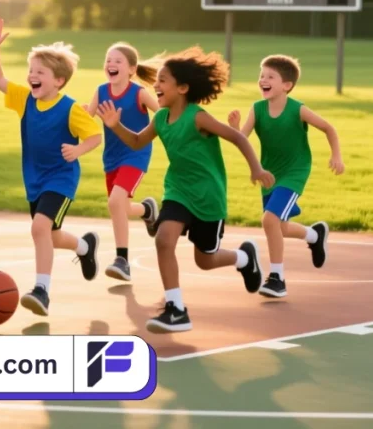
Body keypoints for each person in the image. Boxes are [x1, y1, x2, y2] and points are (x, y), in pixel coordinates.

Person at [97, 46, 274, 332]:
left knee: (205, 260)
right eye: (157, 80)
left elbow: (238, 139)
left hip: (208, 197)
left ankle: (244, 257)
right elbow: (136, 142)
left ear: (182, 88)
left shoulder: (198, 117)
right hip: (177, 190)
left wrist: (256, 168)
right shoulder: (160, 120)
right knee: (164, 239)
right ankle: (176, 308)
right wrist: (116, 126)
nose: (155, 85)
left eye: (163, 80)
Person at [0, 17, 102, 317]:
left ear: (59, 81)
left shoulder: (71, 108)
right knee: (50, 235)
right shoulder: (25, 100)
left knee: (39, 227)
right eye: (30, 71)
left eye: (40, 72)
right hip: (34, 180)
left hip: (61, 180)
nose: (31, 76)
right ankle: (84, 247)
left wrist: (78, 149)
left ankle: (42, 291)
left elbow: (95, 135)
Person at [228, 55, 343, 298]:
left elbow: (328, 128)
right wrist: (236, 127)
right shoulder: (257, 110)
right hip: (270, 173)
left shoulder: (297, 109)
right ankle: (314, 235)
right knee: (279, 226)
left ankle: (277, 278)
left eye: (270, 76)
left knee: (269, 220)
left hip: (295, 172)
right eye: (261, 76)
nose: (263, 80)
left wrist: (337, 156)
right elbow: (242, 140)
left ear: (286, 85)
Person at [83, 42, 161, 281]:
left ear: (131, 69)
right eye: (108, 60)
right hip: (112, 158)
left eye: (118, 61)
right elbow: (86, 121)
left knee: (115, 201)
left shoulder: (139, 93)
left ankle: (122, 260)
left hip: (136, 154)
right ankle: (147, 210)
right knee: (122, 206)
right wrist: (79, 113)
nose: (111, 64)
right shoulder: (100, 91)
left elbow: (164, 113)